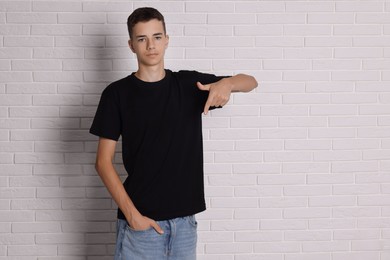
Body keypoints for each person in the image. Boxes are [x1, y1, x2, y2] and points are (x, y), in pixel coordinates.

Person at [89, 7, 258, 260]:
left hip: (184, 227)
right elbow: (103, 162)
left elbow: (250, 81)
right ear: (131, 45)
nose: (151, 45)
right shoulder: (116, 94)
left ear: (167, 40)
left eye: (157, 37)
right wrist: (133, 216)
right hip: (140, 228)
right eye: (142, 39)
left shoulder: (190, 85)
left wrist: (228, 83)